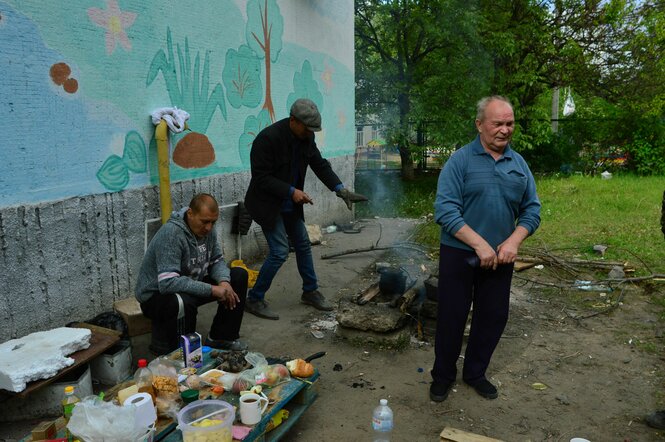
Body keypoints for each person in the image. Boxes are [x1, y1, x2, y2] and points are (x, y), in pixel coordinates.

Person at [430, 96, 541, 402]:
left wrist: (514, 240)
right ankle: (442, 375)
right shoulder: (460, 161)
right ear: (479, 125)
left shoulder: (519, 165)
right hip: (459, 254)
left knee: (492, 317)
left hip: (501, 256)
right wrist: (479, 244)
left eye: (510, 123)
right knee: (452, 316)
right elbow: (445, 210)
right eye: (498, 124)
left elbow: (532, 210)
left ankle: (475, 373)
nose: (505, 130)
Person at [243, 98, 368, 320]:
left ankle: (310, 291)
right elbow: (261, 178)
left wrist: (340, 189)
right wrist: (292, 191)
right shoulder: (267, 139)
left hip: (290, 203)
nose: (310, 133)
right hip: (267, 204)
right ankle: (254, 298)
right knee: (280, 251)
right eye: (307, 128)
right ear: (293, 120)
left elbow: (319, 164)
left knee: (302, 244)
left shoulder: (306, 138)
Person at [135, 193, 248, 355]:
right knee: (183, 301)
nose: (209, 227)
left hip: (188, 284)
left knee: (238, 276)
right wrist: (212, 289)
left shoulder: (208, 231)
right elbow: (168, 283)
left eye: (213, 222)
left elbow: (216, 261)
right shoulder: (172, 234)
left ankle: (222, 337)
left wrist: (224, 282)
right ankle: (184, 353)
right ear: (190, 214)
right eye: (204, 221)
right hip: (156, 296)